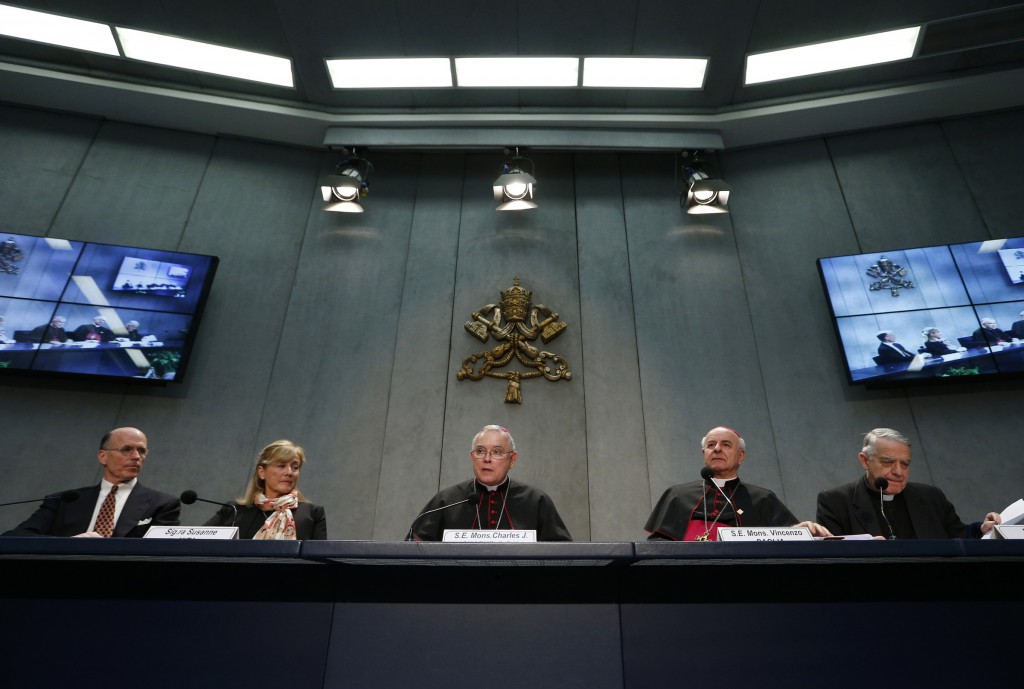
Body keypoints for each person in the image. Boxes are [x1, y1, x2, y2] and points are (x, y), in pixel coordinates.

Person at [645, 426, 831, 540]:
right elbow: (657, 544)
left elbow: (782, 536)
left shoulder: (761, 498)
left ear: (740, 456)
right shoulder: (677, 494)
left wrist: (799, 530)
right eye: (711, 445)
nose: (717, 449)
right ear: (704, 454)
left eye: (726, 444)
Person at [816, 428, 1001, 539]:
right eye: (888, 462)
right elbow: (834, 554)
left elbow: (959, 537)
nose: (898, 472)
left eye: (905, 464)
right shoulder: (836, 501)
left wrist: (982, 528)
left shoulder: (930, 496)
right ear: (865, 461)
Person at [2, 427, 180, 537]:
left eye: (141, 451)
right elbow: (17, 536)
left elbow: (162, 551)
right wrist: (70, 544)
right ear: (103, 456)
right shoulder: (64, 500)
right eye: (126, 450)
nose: (136, 457)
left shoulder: (163, 504)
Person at [406, 424, 572, 541]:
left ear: (512, 459)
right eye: (480, 451)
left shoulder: (536, 500)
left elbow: (561, 553)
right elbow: (414, 547)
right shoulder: (446, 500)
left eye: (497, 452)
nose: (487, 459)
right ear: (472, 457)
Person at [203, 439, 327, 540]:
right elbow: (195, 542)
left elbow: (322, 562)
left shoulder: (312, 514)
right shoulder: (234, 511)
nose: (289, 472)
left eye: (295, 467)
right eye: (281, 466)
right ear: (262, 472)